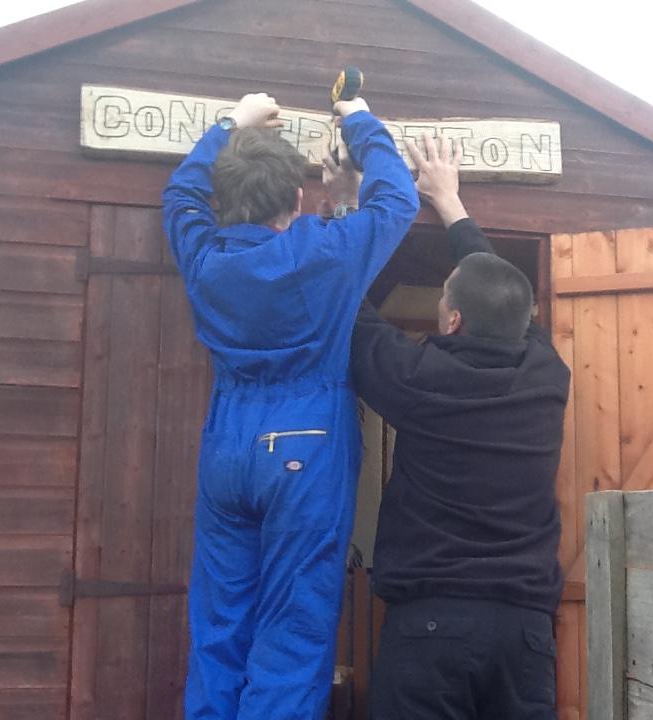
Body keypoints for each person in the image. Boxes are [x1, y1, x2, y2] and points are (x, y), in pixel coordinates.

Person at [161, 91, 419, 720]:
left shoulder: (204, 258)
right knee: (293, 628)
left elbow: (179, 196)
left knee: (219, 623)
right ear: (297, 199)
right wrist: (359, 119)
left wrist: (232, 123)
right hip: (307, 438)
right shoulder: (325, 251)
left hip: (227, 442)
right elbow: (398, 199)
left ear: (222, 200)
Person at [339, 135, 570, 719]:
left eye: (444, 299)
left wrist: (346, 206)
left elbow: (346, 309)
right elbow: (503, 294)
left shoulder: (421, 378)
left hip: (433, 626)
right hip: (525, 635)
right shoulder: (546, 375)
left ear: (453, 320)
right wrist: (450, 201)